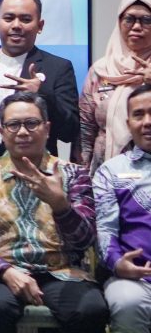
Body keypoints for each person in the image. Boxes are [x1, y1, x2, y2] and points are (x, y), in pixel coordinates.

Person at [0, 92, 107, 333]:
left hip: (63, 272)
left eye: (31, 123)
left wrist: (61, 206)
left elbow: (85, 240)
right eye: (13, 125)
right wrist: (6, 271)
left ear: (47, 128)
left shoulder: (73, 174)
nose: (22, 132)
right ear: (1, 132)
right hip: (0, 273)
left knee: (90, 309)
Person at [0, 0, 79, 157]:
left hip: (36, 167)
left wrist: (42, 94)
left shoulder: (58, 67)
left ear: (40, 26)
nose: (16, 25)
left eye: (25, 19)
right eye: (9, 18)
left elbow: (69, 131)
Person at [93, 84, 151, 333]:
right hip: (134, 277)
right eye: (139, 115)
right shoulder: (111, 171)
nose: (147, 122)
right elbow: (105, 229)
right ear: (128, 124)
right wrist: (117, 263)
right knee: (128, 303)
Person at [80, 0, 151, 171]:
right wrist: (82, 172)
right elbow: (86, 128)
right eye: (129, 19)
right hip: (104, 170)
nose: (136, 26)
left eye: (146, 20)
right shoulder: (101, 70)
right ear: (119, 23)